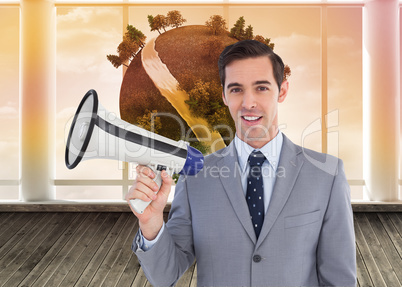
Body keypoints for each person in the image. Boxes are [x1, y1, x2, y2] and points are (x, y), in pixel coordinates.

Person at [126, 39, 357, 287]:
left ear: (282, 91)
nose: (248, 103)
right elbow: (164, 276)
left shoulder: (327, 174)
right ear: (224, 95)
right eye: (236, 89)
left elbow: (340, 279)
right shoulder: (195, 176)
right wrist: (151, 223)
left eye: (261, 88)